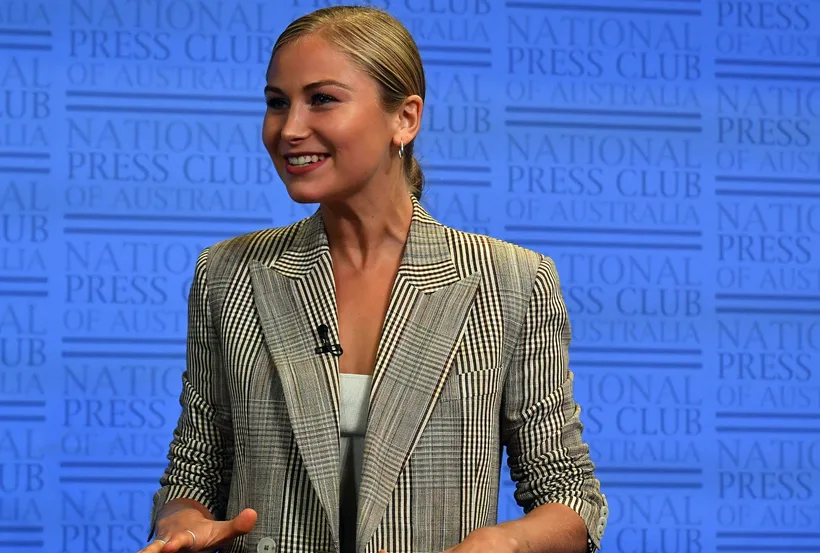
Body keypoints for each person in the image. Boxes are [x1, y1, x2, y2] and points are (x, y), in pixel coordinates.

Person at [138, 6, 607, 553]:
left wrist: (503, 544)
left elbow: (571, 496)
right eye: (276, 103)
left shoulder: (512, 281)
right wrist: (180, 525)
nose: (289, 128)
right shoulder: (227, 273)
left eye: (323, 99)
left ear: (404, 119)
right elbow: (194, 472)